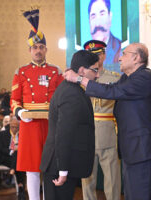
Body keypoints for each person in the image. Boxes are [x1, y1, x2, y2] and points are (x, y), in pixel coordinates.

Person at [64, 43, 151, 200]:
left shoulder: (145, 76)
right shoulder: (127, 78)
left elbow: (113, 91)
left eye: (124, 54)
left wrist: (78, 79)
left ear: (136, 58)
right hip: (133, 150)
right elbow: (108, 88)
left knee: (141, 196)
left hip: (142, 151)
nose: (119, 58)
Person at [10, 9, 63, 200]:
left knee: (50, 166)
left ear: (46, 49)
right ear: (30, 50)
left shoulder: (56, 71)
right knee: (32, 168)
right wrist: (20, 112)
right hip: (29, 124)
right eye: (35, 47)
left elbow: (62, 98)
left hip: (51, 124)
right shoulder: (21, 72)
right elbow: (14, 99)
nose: (38, 50)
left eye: (41, 46)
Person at [40, 50, 98, 200]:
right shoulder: (71, 93)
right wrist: (63, 170)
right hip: (59, 166)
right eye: (95, 70)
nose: (97, 75)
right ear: (82, 71)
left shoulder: (73, 89)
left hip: (63, 164)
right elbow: (64, 134)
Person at [81, 40, 121, 200]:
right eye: (91, 56)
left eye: (97, 55)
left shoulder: (115, 78)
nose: (95, 59)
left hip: (108, 133)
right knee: (87, 180)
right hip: (86, 134)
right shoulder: (79, 80)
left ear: (103, 56)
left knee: (112, 180)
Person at [0, 116, 26, 200]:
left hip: (19, 158)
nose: (14, 129)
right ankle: (21, 187)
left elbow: (26, 148)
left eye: (16, 127)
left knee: (17, 158)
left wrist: (17, 150)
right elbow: (1, 149)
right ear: (9, 125)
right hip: (6, 158)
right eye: (12, 126)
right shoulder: (2, 134)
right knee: (17, 161)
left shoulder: (23, 134)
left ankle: (11, 172)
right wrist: (12, 150)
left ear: (20, 126)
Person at [88, 0, 121, 72]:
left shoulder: (121, 49)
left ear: (110, 17)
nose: (97, 23)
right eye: (93, 16)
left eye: (102, 14)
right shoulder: (84, 53)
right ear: (89, 21)